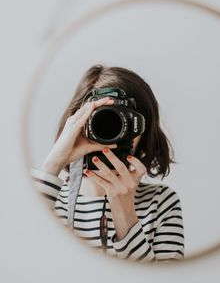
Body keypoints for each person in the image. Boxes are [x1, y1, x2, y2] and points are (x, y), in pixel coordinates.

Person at [30, 64, 184, 262]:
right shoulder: (48, 197)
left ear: (142, 130)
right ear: (78, 125)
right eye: (101, 121)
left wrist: (126, 213)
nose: (111, 134)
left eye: (122, 122)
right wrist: (54, 161)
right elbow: (17, 254)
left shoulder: (161, 202)